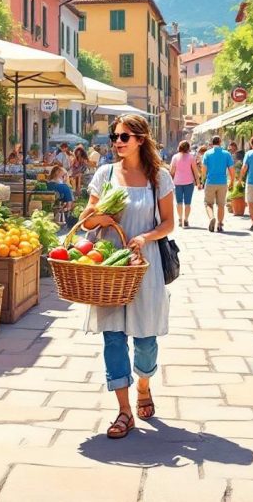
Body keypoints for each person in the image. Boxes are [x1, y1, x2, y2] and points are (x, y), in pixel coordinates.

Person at [79, 114, 174, 439]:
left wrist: (145, 237)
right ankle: (124, 411)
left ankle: (144, 386)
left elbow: (169, 223)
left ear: (140, 139)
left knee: (146, 340)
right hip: (108, 265)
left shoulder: (159, 177)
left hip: (144, 265)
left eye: (124, 137)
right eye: (115, 137)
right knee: (113, 338)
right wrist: (100, 217)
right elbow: (86, 220)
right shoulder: (105, 174)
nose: (117, 142)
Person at [201, 135, 236, 233]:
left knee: (208, 203)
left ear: (211, 143)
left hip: (210, 181)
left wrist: (203, 180)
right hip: (222, 182)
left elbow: (203, 169)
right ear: (220, 142)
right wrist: (232, 181)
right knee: (221, 205)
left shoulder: (207, 154)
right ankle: (220, 224)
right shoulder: (227, 154)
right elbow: (232, 169)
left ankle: (212, 217)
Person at [168, 140, 201, 228]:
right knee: (187, 203)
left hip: (177, 182)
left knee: (179, 202)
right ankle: (186, 220)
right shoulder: (191, 157)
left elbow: (172, 171)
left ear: (179, 147)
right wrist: (198, 183)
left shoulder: (175, 157)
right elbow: (195, 171)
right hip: (189, 183)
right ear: (188, 147)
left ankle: (180, 219)